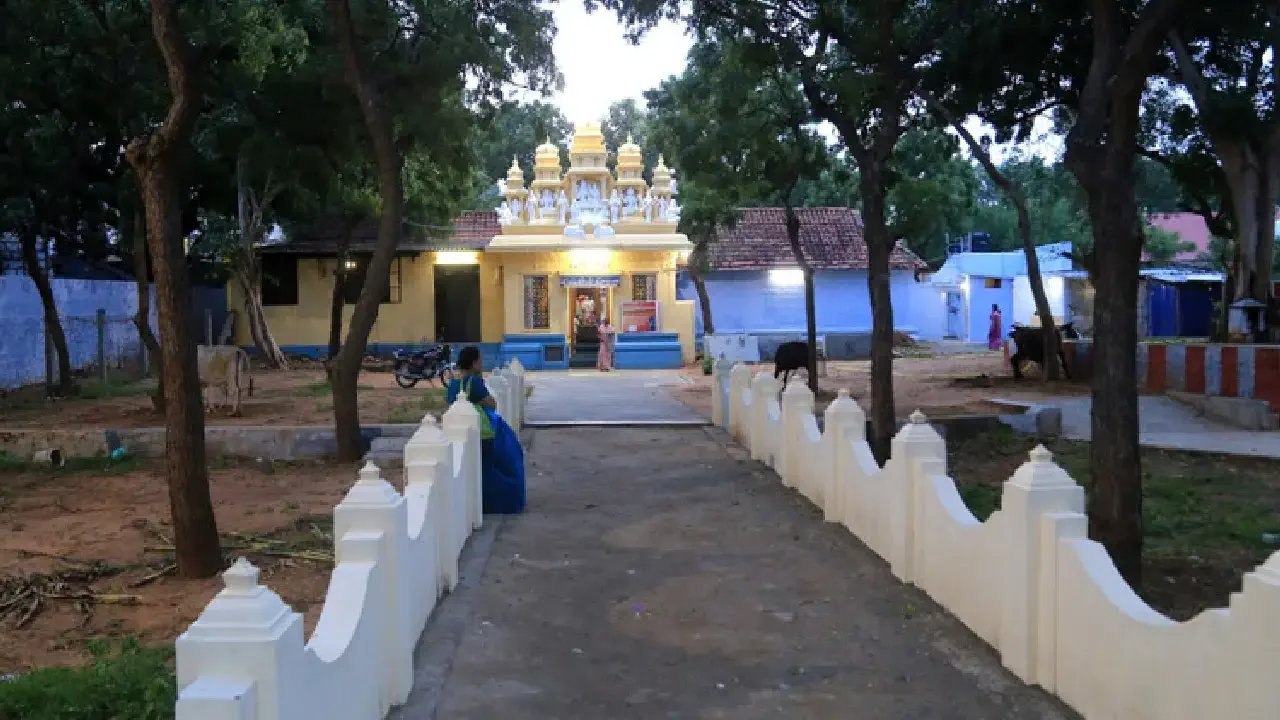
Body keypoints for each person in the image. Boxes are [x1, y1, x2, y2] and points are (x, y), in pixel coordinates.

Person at [446, 346, 525, 514]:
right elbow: (492, 404)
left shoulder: (453, 383)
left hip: (456, 431)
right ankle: (498, 503)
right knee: (496, 466)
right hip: (481, 433)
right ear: (474, 363)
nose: (482, 364)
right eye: (480, 361)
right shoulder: (473, 382)